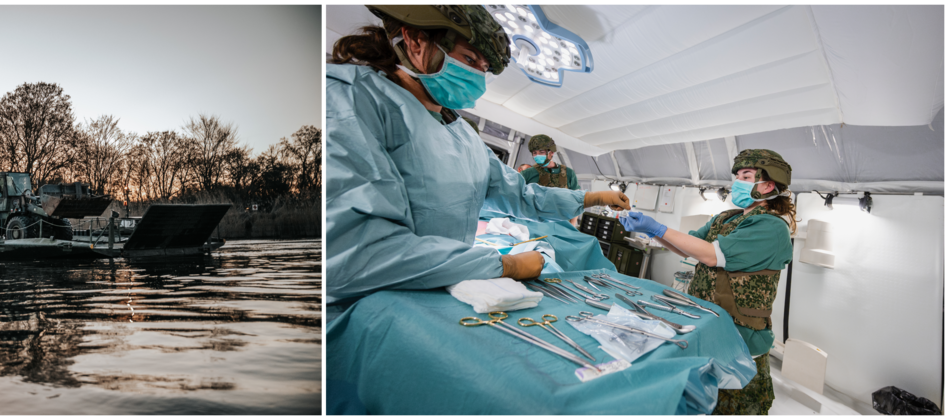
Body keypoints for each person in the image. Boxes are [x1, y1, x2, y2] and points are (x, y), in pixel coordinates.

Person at [324, 3, 631, 308]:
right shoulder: (345, 100)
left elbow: (522, 197)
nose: (477, 78)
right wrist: (504, 266)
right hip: (357, 310)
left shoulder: (463, 135)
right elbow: (351, 254)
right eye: (469, 59)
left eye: (483, 70)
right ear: (416, 42)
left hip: (438, 293)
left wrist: (594, 198)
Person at [618, 149, 796, 416]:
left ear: (768, 184)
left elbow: (712, 256)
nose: (737, 181)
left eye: (746, 176)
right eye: (736, 176)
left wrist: (657, 227)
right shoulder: (727, 218)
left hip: (741, 340)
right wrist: (650, 229)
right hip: (709, 327)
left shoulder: (772, 228)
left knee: (734, 409)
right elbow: (688, 248)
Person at [519, 135, 582, 225]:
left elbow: (576, 202)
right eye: (534, 153)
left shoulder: (569, 173)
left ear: (551, 152)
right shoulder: (527, 173)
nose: (537, 156)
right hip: (534, 224)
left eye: (541, 152)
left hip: (561, 225)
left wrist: (572, 227)